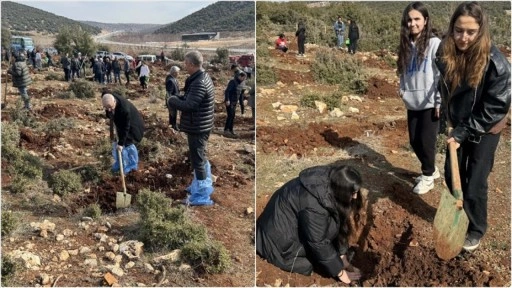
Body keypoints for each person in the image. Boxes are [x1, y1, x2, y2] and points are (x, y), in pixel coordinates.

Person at [435, 1, 511, 252]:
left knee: (476, 181)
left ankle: (476, 228)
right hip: (457, 124)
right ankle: (459, 215)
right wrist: (448, 119)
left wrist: (464, 132)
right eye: (458, 30)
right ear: (452, 27)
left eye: (470, 32)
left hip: (486, 127)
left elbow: (495, 107)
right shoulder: (444, 53)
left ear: (481, 31)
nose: (463, 37)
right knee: (451, 175)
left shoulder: (496, 63)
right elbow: (446, 89)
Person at [257, 162, 363, 284]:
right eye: (352, 193)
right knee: (310, 264)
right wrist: (341, 272)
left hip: (289, 225)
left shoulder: (330, 182)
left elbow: (338, 221)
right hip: (275, 243)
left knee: (331, 228)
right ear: (341, 189)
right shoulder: (314, 205)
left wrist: (342, 257)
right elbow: (318, 242)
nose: (355, 197)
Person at [397, 2, 441, 195]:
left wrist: (439, 101)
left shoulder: (434, 44)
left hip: (430, 102)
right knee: (415, 141)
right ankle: (432, 168)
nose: (412, 23)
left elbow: (440, 75)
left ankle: (428, 176)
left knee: (426, 141)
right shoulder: (406, 45)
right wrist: (402, 89)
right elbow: (403, 72)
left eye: (417, 19)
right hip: (412, 102)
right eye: (409, 19)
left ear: (425, 20)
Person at [167, 51, 215, 206]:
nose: (185, 66)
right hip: (199, 124)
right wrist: (178, 98)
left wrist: (173, 101)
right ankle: (200, 184)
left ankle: (201, 195)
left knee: (198, 159)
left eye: (186, 64)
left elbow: (190, 105)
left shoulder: (199, 82)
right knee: (199, 156)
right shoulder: (198, 79)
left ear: (193, 65)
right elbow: (189, 99)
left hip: (198, 127)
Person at [102, 92, 145, 174]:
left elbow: (126, 128)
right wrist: (109, 112)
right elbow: (105, 94)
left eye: (110, 107)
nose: (109, 110)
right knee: (116, 142)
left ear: (114, 102)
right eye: (106, 108)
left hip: (133, 125)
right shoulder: (108, 97)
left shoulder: (124, 110)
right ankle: (120, 162)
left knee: (127, 142)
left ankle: (132, 167)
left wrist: (121, 143)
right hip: (120, 122)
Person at [224, 71, 247, 137]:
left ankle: (230, 130)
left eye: (245, 79)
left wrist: (242, 106)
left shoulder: (242, 83)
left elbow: (240, 95)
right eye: (243, 78)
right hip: (229, 102)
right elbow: (227, 91)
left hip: (234, 102)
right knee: (230, 115)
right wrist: (227, 100)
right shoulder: (233, 82)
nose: (244, 80)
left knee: (233, 116)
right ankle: (226, 130)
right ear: (240, 76)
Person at [165, 66, 181, 131]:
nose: (179, 74)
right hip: (172, 101)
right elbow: (169, 93)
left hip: (175, 100)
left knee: (174, 114)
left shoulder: (174, 79)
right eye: (178, 72)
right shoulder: (170, 81)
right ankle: (173, 127)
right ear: (174, 73)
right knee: (172, 114)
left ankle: (173, 126)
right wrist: (169, 103)